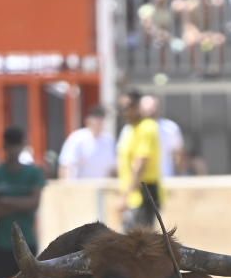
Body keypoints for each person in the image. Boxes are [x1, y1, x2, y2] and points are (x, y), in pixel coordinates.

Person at [0, 126, 46, 278]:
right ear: (5, 147)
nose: (14, 150)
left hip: (27, 240)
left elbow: (34, 204)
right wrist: (21, 203)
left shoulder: (34, 173)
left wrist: (4, 201)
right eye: (11, 145)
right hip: (2, 241)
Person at [116, 93, 163, 229]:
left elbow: (141, 164)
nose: (124, 112)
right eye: (121, 108)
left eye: (127, 107)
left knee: (139, 244)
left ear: (137, 107)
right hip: (135, 194)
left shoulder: (147, 127)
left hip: (143, 192)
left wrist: (125, 196)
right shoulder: (132, 129)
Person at [58, 106, 115, 179]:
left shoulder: (109, 139)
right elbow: (66, 165)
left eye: (101, 120)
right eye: (97, 120)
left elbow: (113, 168)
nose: (99, 123)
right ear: (88, 121)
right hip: (80, 187)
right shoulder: (77, 137)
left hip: (103, 186)